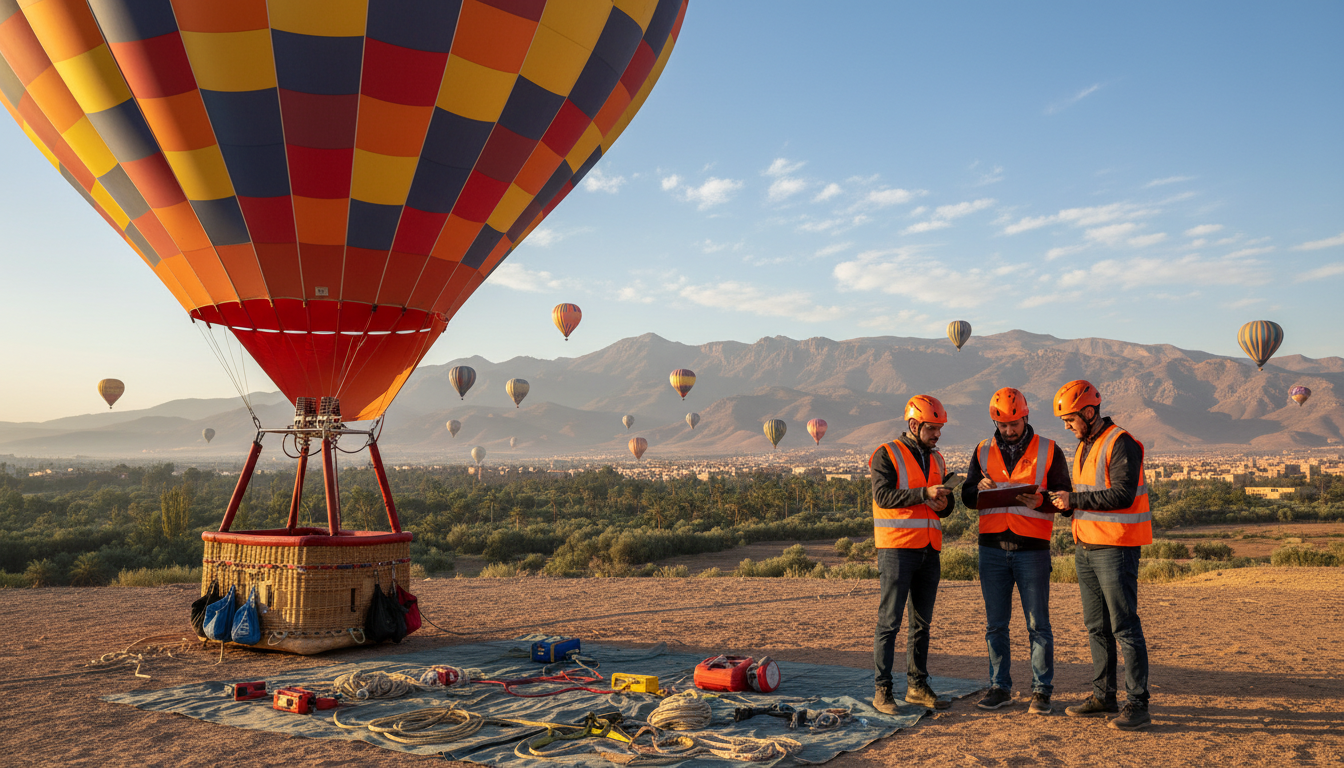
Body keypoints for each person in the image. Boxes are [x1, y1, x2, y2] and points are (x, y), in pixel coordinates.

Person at [1047, 380, 1153, 731]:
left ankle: (1137, 703)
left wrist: (1073, 500)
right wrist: (1061, 503)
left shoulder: (1120, 442)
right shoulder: (1085, 445)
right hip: (1086, 547)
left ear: (1088, 412)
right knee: (1096, 626)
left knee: (1124, 626)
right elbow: (1087, 498)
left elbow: (1122, 496)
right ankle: (1103, 696)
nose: (1066, 426)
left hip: (1116, 548)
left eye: (1069, 419)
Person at [961, 388, 1072, 715]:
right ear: (994, 421)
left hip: (1032, 549)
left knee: (1038, 624)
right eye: (1002, 424)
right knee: (996, 624)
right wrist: (976, 489)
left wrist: (1041, 501)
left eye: (1014, 423)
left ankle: (1041, 692)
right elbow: (967, 498)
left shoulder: (1050, 451)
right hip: (992, 549)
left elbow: (1065, 501)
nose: (1008, 430)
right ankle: (1000, 687)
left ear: (1026, 416)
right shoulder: (982, 451)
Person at [869, 394, 956, 714]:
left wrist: (944, 503)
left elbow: (942, 507)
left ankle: (917, 686)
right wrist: (924, 494)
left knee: (921, 624)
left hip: (929, 549)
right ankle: (883, 690)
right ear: (914, 424)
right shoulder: (886, 454)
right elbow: (883, 495)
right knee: (889, 623)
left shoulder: (938, 459)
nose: (937, 434)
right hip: (896, 548)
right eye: (932, 428)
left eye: (940, 429)